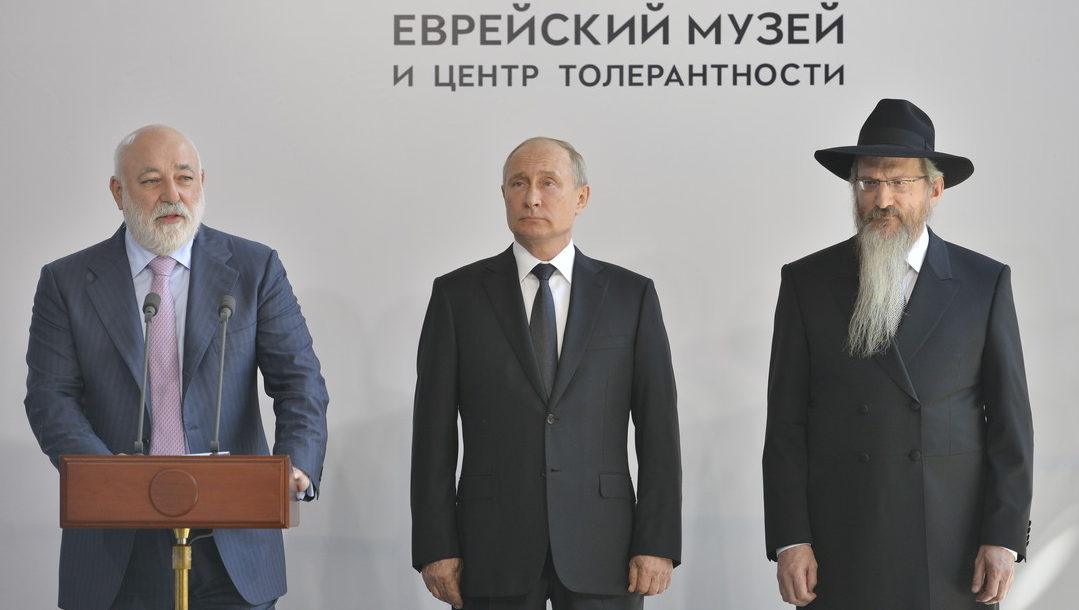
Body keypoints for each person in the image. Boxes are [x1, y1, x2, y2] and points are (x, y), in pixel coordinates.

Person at [24, 125, 329, 610]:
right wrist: (107, 476)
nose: (172, 195)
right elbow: (50, 398)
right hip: (116, 544)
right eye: (150, 181)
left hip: (233, 540)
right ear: (117, 191)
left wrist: (296, 466)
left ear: (202, 182)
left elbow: (300, 383)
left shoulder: (254, 268)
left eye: (184, 178)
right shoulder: (67, 281)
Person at [762, 99, 1034, 609]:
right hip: (841, 538)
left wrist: (1004, 536)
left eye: (899, 183)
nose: (881, 199)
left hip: (952, 544)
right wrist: (790, 539)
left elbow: (1009, 422)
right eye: (867, 183)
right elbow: (786, 424)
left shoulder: (983, 282)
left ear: (934, 189)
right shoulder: (807, 281)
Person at [411, 137, 681, 609]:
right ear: (503, 194)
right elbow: (432, 432)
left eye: (548, 183)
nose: (531, 197)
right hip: (491, 546)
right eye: (519, 183)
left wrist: (657, 541)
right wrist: (436, 547)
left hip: (606, 547)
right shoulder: (457, 296)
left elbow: (659, 428)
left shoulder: (629, 296)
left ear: (582, 197)